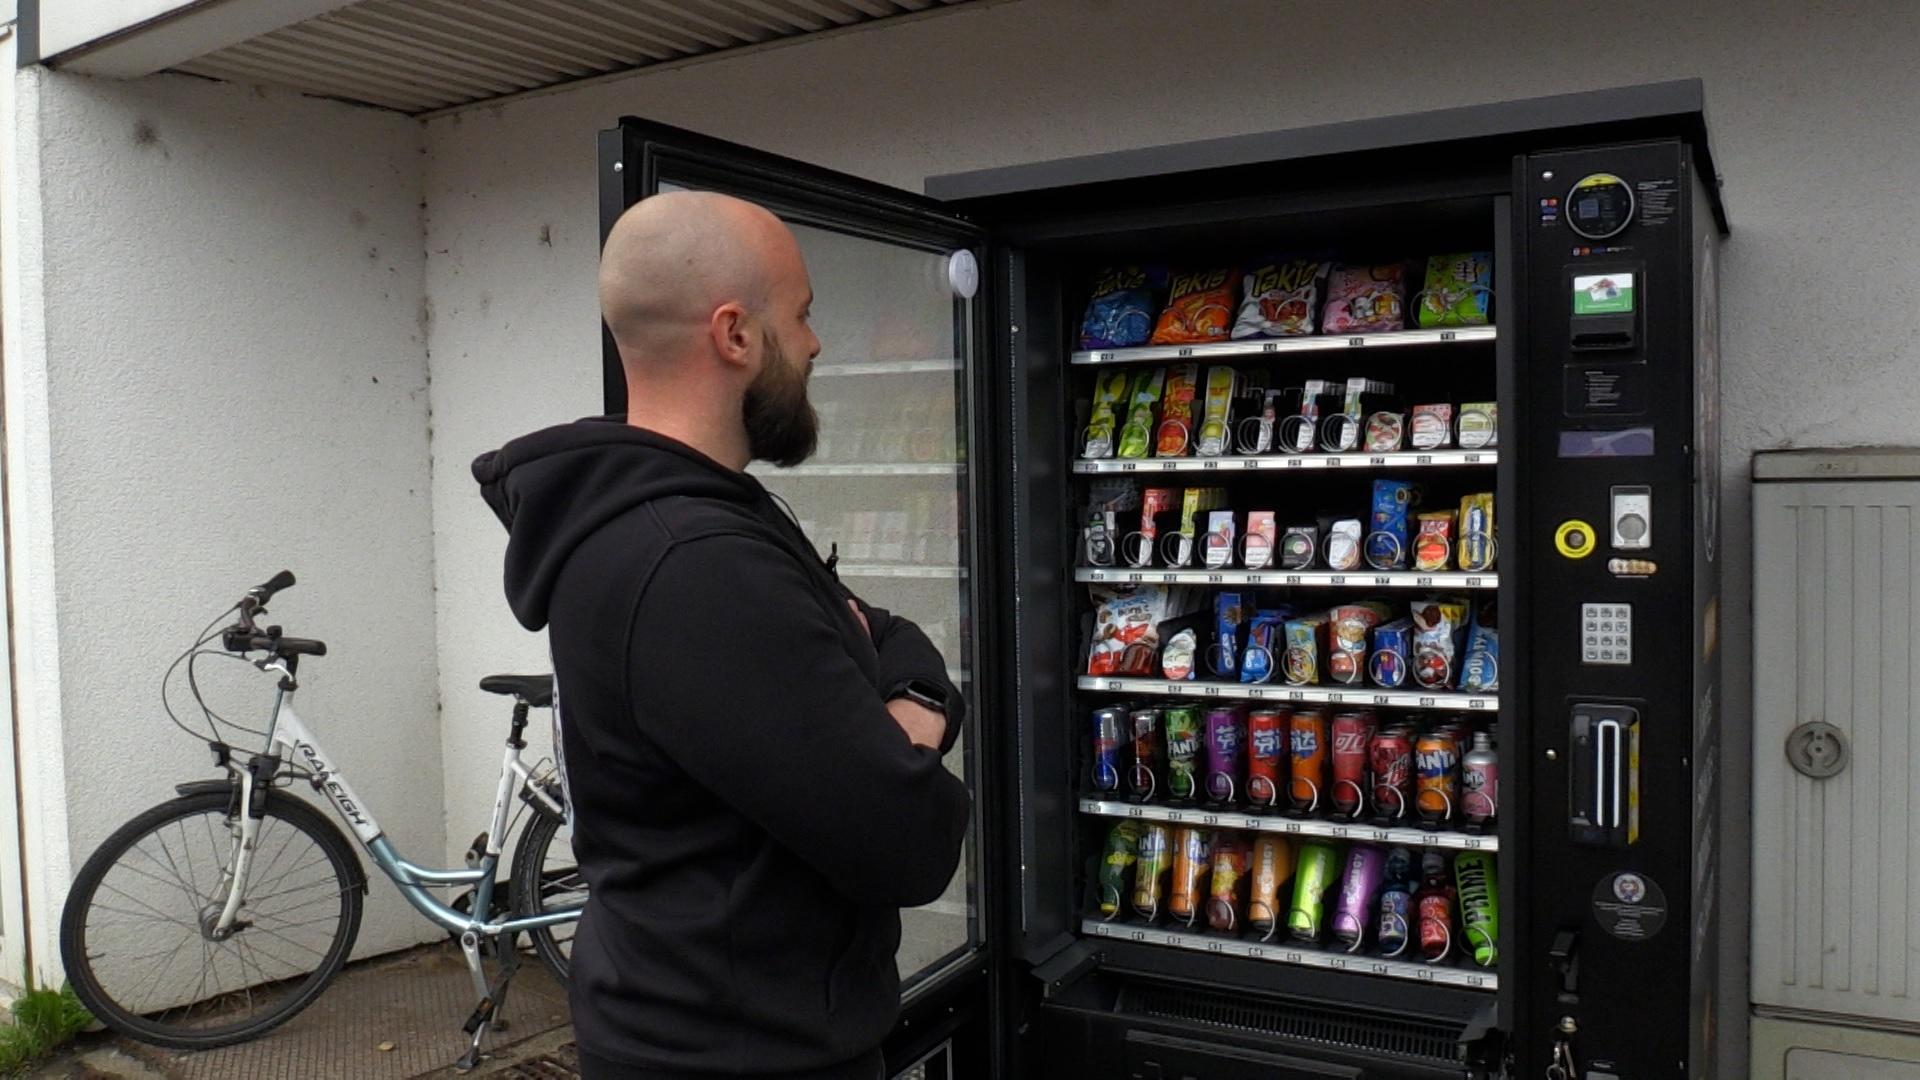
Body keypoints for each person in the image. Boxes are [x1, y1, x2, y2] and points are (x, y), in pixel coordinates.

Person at [473, 191, 970, 1080]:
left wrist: (909, 698)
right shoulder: (694, 566)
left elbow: (891, 636)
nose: (816, 344)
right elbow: (908, 839)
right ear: (735, 334)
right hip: (739, 1058)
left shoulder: (690, 523)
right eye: (804, 314)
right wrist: (914, 721)